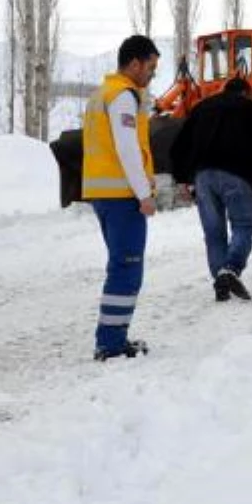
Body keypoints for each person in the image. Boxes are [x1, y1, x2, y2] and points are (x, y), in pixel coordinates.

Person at [82, 35, 160, 361]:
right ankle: (111, 344)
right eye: (151, 67)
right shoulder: (124, 97)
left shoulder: (103, 93)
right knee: (127, 269)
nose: (153, 74)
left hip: (104, 193)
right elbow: (127, 148)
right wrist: (144, 193)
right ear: (134, 64)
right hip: (121, 196)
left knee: (120, 267)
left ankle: (112, 338)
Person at [169, 77, 252, 302]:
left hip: (203, 177)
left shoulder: (201, 107)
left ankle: (221, 283)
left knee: (214, 233)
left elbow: (180, 145)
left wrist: (182, 179)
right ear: (245, 92)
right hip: (235, 175)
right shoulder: (248, 107)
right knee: (243, 226)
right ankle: (230, 269)